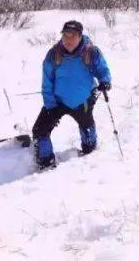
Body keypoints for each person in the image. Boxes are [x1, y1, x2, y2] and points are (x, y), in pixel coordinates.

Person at [32, 20, 112, 169]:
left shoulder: (91, 51)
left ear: (80, 36)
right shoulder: (53, 54)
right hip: (58, 102)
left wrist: (105, 81)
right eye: (65, 36)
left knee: (86, 126)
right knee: (39, 130)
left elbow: (102, 69)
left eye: (72, 36)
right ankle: (45, 161)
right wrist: (50, 105)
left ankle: (90, 149)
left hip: (83, 101)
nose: (68, 40)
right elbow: (47, 83)